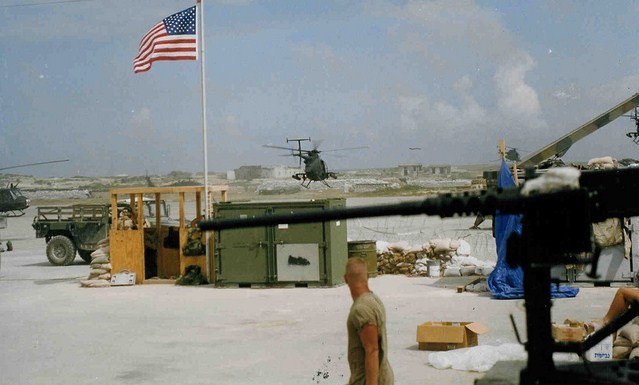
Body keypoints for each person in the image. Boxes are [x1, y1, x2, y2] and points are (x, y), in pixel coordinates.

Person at [344, 257, 394, 385]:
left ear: (345, 279)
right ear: (367, 276)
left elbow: (372, 350)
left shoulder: (362, 308)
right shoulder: (373, 300)